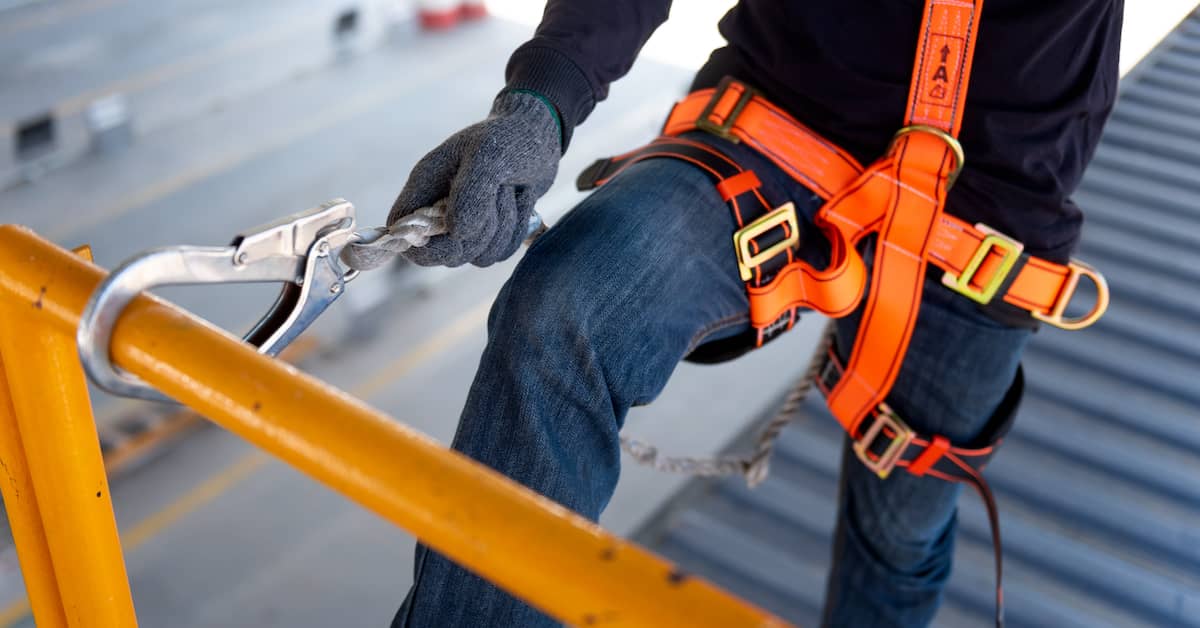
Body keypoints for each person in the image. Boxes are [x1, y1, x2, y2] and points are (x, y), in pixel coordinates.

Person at [386, 1, 1122, 626]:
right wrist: (541, 101)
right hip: (778, 121)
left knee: (900, 533)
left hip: (988, 206)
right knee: (566, 308)